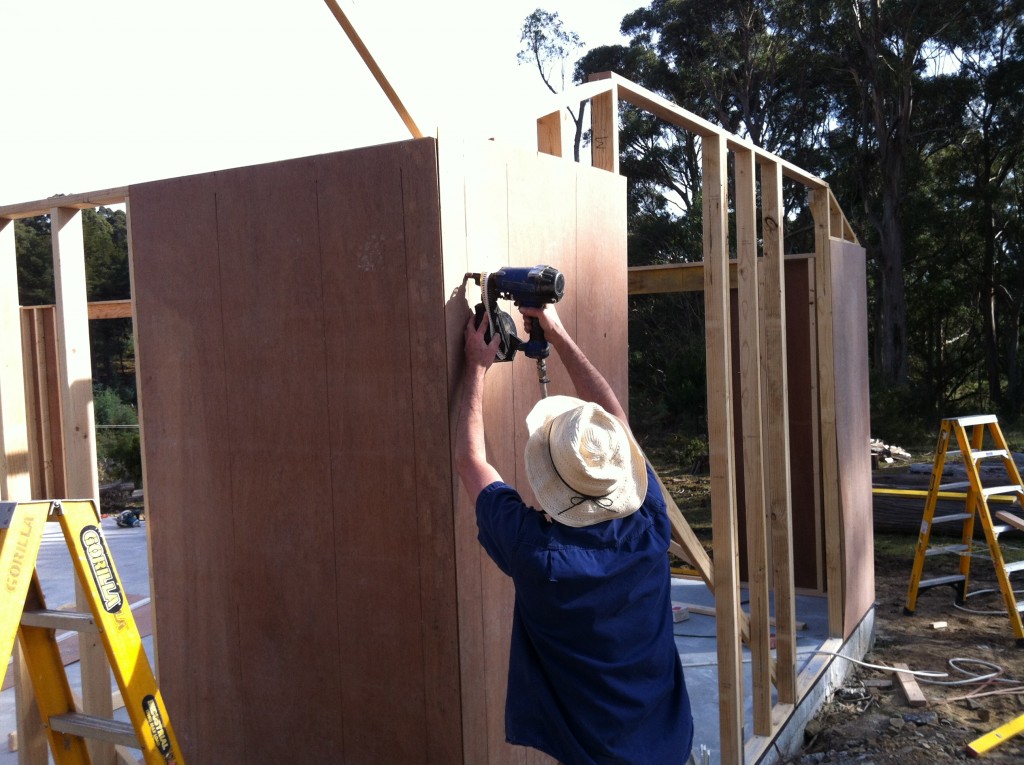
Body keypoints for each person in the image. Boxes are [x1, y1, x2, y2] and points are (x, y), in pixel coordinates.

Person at [455, 301, 694, 765]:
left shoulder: (537, 553)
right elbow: (615, 420)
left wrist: (475, 368)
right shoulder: (648, 518)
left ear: (550, 485)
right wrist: (559, 335)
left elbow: (471, 463)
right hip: (669, 745)